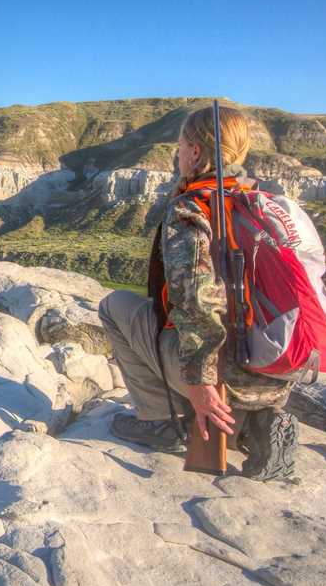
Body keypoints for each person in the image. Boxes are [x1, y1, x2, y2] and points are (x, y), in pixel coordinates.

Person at [98, 104, 298, 480]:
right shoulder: (264, 203)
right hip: (273, 370)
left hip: (223, 374)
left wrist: (202, 385)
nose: (177, 154)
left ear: (194, 152)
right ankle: (256, 425)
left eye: (180, 146)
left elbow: (195, 302)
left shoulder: (194, 208)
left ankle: (160, 420)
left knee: (115, 305)